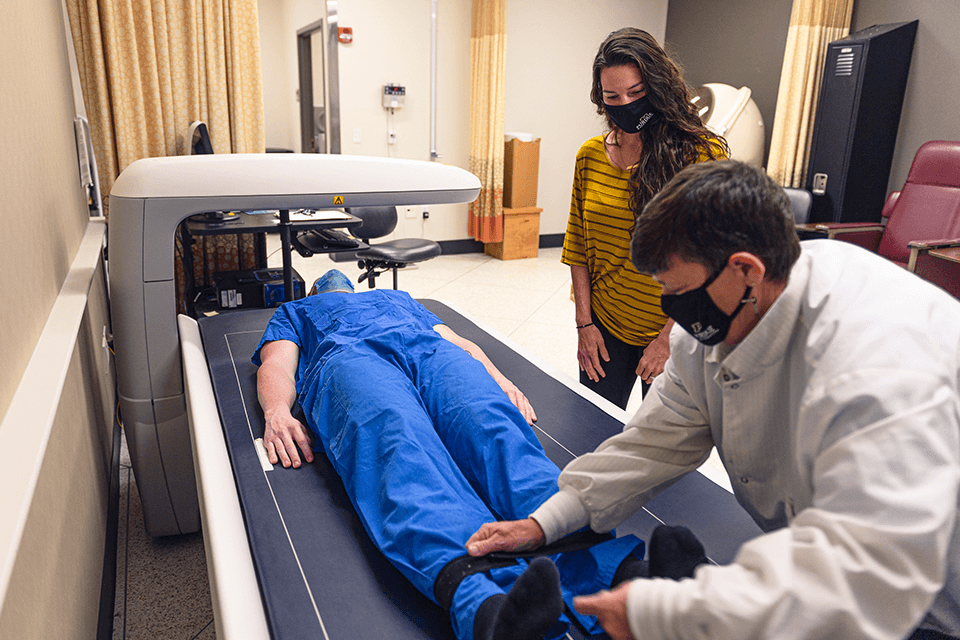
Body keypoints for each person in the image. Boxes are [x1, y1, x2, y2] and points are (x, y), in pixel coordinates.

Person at [467, 161, 960, 640]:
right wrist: (546, 522)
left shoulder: (878, 362)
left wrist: (672, 614)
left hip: (929, 602)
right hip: (842, 570)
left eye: (678, 291)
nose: (673, 311)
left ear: (744, 269)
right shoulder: (720, 326)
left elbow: (870, 572)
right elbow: (653, 443)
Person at [253, 269, 645, 640]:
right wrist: (277, 411)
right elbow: (276, 364)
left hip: (431, 352)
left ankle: (608, 570)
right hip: (348, 358)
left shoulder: (397, 297)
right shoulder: (295, 311)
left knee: (496, 433)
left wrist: (500, 381)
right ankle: (489, 603)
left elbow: (460, 343)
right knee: (401, 449)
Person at [564, 27, 728, 409]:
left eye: (637, 94)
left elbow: (712, 258)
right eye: (613, 96)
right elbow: (577, 248)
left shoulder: (701, 154)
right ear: (600, 100)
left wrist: (669, 338)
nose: (626, 104)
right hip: (603, 329)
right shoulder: (589, 155)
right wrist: (584, 326)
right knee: (592, 433)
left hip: (674, 333)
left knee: (665, 456)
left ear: (657, 87)